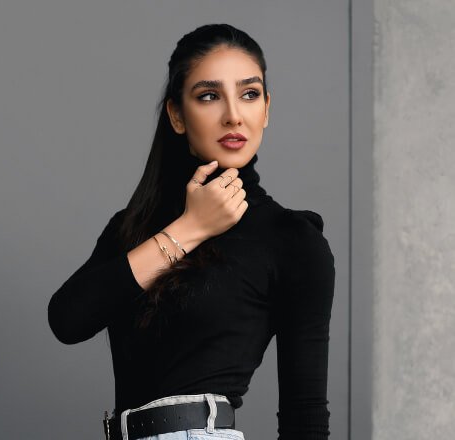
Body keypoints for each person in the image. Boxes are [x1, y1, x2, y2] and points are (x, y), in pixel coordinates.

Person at [47, 23, 336, 440]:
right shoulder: (132, 226)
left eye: (249, 94)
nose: (233, 114)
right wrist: (191, 228)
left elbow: (305, 416)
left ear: (266, 110)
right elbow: (67, 320)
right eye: (209, 96)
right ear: (177, 115)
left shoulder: (291, 239)